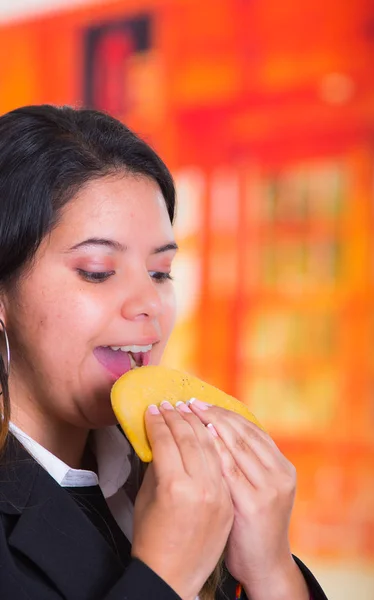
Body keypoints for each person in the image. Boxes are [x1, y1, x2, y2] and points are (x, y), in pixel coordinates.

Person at [0, 104, 327, 600]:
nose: (150, 305)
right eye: (97, 270)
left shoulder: (181, 479)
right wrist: (164, 575)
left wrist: (270, 571)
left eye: (160, 273)